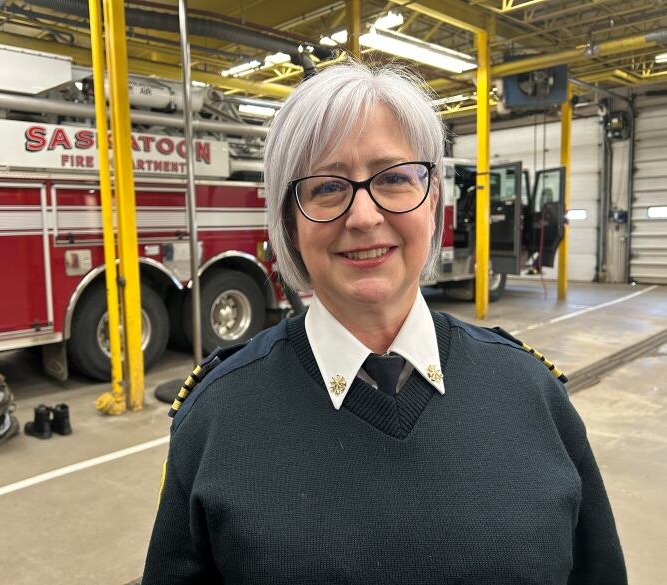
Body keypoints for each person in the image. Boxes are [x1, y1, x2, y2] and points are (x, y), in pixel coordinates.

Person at [141, 62, 626, 585]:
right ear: (288, 221)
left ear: (433, 198)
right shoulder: (216, 417)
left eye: (393, 178)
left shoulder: (534, 396)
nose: (364, 216)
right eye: (327, 187)